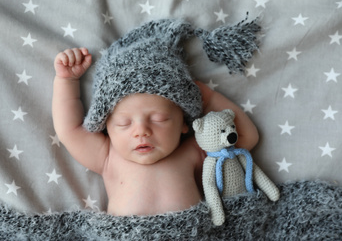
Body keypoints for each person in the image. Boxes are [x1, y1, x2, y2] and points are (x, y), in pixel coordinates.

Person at [52, 19, 260, 216]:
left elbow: (245, 137)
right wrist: (67, 81)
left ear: (183, 124)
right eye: (124, 123)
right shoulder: (107, 156)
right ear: (107, 126)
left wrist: (207, 98)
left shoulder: (194, 153)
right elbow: (69, 130)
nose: (141, 131)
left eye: (159, 119)